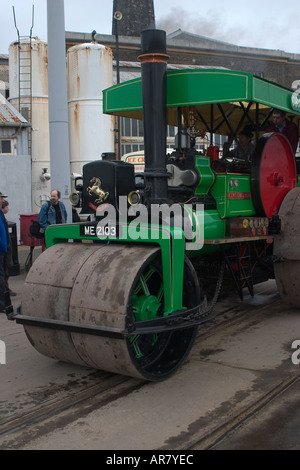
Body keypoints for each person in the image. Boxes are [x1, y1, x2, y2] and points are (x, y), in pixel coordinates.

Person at [0, 192, 12, 314]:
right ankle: (2, 305)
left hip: (3, 250)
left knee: (3, 276)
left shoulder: (1, 214)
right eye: (1, 198)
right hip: (1, 250)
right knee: (1, 277)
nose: (2, 200)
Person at [1, 200, 16, 297]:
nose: (8, 209)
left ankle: (5, 289)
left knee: (5, 271)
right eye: (7, 207)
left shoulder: (2, 217)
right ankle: (5, 290)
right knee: (3, 272)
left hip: (5, 248)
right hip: (3, 249)